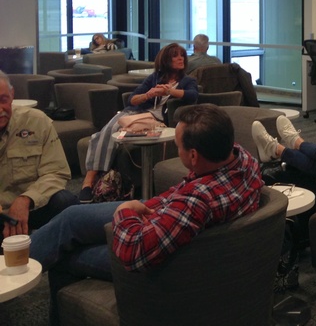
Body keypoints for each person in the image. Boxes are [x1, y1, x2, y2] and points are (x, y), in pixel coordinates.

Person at [30, 103, 263, 325]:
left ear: (193, 156)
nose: (176, 148)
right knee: (72, 217)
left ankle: (14, 276)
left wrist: (125, 212)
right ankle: (15, 264)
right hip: (172, 219)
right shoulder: (244, 160)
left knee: (63, 252)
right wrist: (148, 205)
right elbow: (182, 196)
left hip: (168, 264)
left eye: (178, 145)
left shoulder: (196, 200)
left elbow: (135, 252)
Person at [78, 43, 199, 202]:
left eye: (182, 55)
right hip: (135, 113)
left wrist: (168, 91)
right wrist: (149, 94)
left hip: (155, 119)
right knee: (109, 130)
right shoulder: (155, 78)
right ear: (166, 60)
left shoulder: (187, 80)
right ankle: (89, 182)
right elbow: (132, 99)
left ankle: (89, 182)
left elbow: (192, 95)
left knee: (109, 130)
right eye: (175, 56)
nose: (180, 58)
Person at [0, 71, 77, 241]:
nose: (0, 110)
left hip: (31, 205)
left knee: (65, 202)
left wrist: (26, 199)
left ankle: (59, 262)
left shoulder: (36, 122)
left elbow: (57, 172)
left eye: (3, 100)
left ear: (12, 96)